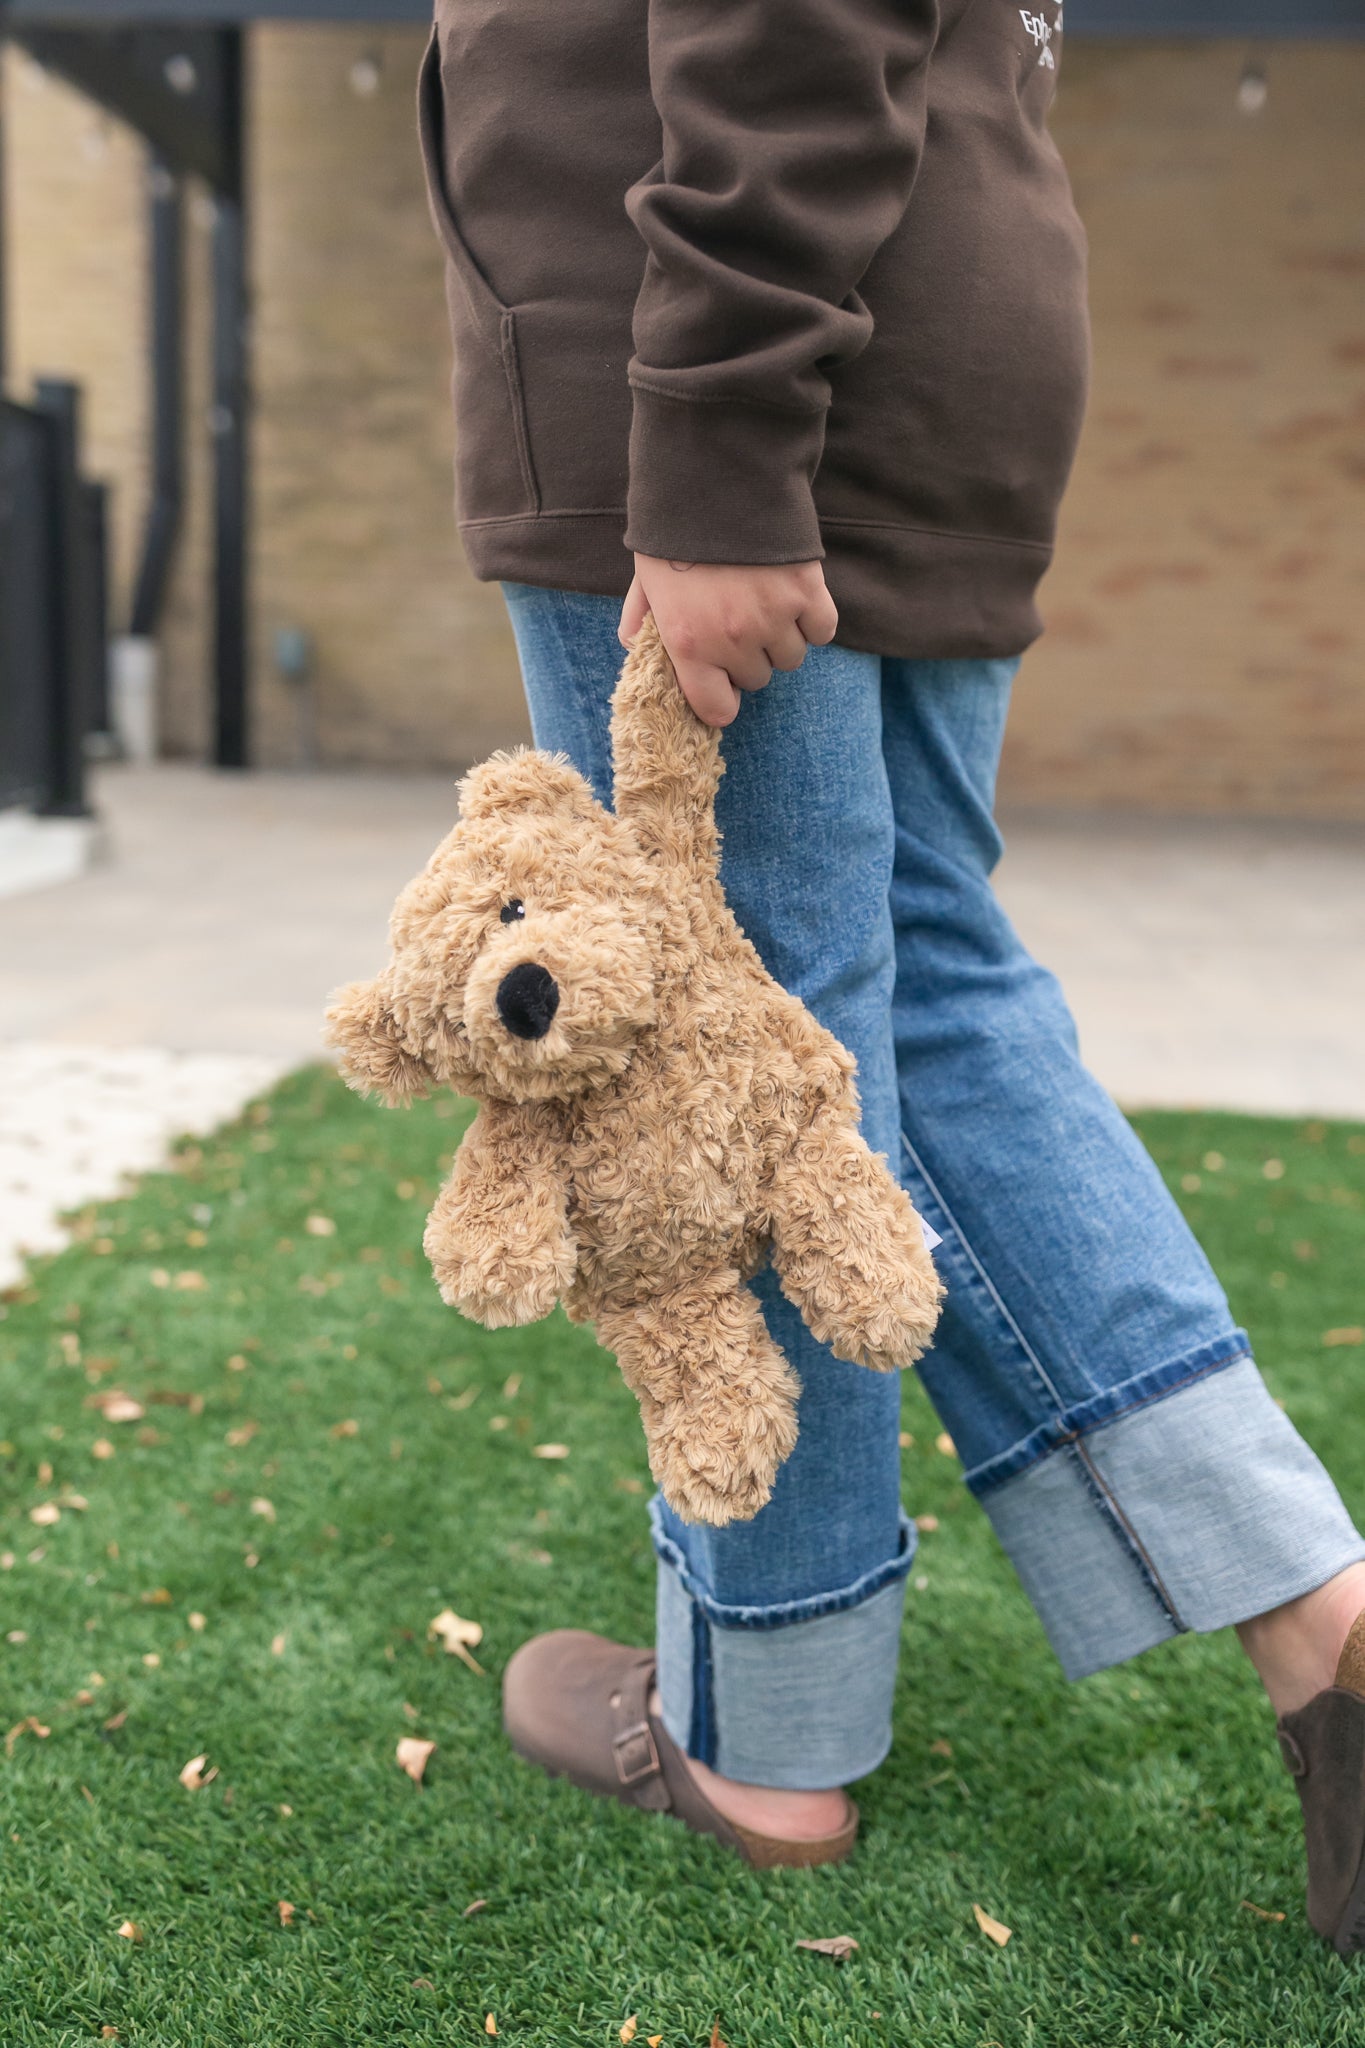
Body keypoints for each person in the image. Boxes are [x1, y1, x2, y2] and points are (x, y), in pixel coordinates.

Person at [417, 0, 1365, 1945]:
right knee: (915, 981)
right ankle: (1322, 1616)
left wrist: (713, 444)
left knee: (717, 1027)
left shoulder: (719, 393)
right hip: (911, 302)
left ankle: (757, 1721)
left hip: (711, 350)